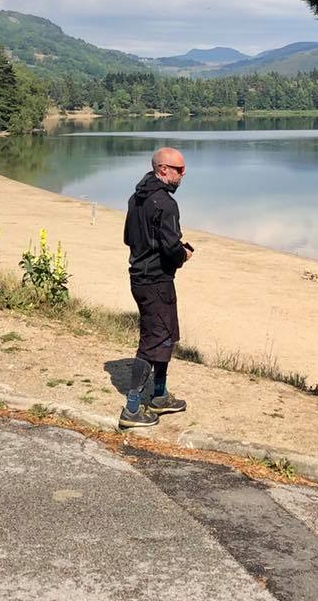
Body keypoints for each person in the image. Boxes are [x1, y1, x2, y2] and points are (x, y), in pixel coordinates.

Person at [119, 147, 193, 429]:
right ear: (163, 169)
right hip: (155, 281)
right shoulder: (165, 203)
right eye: (178, 170)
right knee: (152, 342)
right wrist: (182, 255)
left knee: (165, 337)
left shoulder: (135, 198)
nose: (183, 174)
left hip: (141, 277)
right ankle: (132, 408)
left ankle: (159, 395)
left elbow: (129, 237)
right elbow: (171, 247)